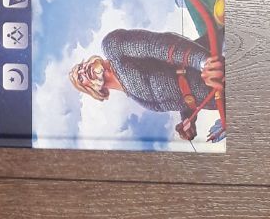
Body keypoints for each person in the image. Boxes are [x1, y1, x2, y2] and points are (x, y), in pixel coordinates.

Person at [69, 28, 224, 140]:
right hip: (219, 97)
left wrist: (202, 61)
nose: (83, 70)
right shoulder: (137, 99)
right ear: (91, 89)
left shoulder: (112, 47)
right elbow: (182, 97)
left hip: (218, 58)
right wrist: (187, 120)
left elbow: (158, 45)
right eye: (80, 78)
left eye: (80, 67)